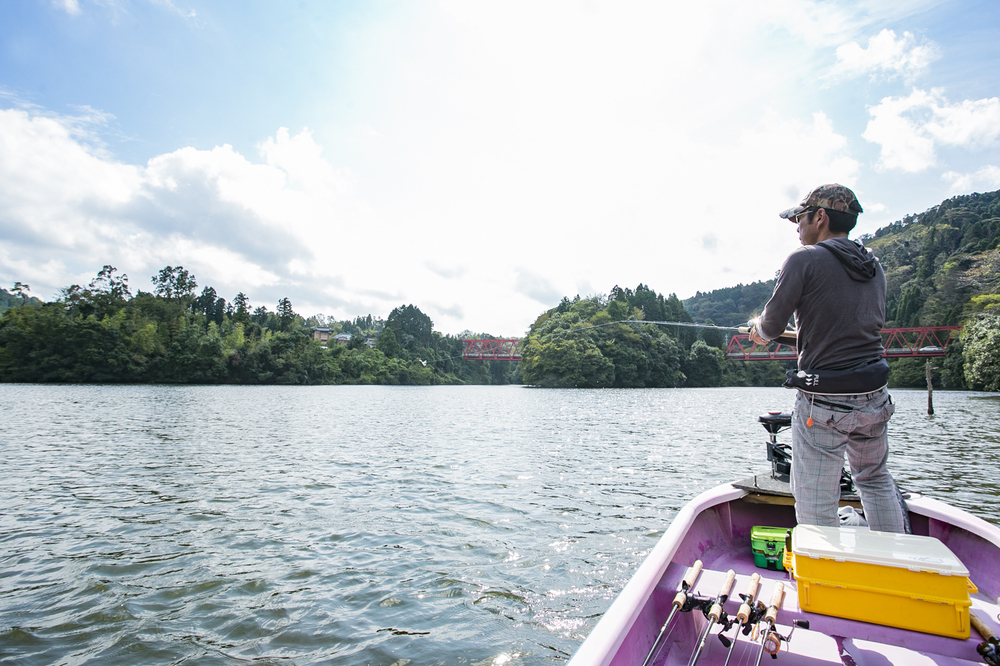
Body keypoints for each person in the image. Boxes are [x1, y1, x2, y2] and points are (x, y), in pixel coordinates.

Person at [748, 183, 905, 533]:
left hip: (825, 403)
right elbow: (850, 329)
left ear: (820, 217)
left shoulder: (804, 259)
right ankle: (896, 563)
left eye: (800, 218)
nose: (797, 226)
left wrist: (757, 329)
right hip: (874, 396)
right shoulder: (873, 265)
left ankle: (824, 576)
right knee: (875, 480)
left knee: (815, 498)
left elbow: (771, 327)